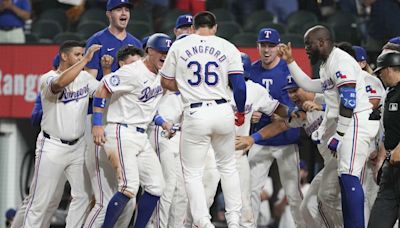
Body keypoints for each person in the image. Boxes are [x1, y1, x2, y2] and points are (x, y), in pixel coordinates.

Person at [278, 25, 379, 228]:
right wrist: (290, 61)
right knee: (342, 180)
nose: (306, 49)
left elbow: (349, 101)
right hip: (346, 124)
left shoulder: (340, 61)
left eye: (309, 44)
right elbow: (308, 84)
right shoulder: (327, 64)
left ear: (322, 42)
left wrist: (339, 134)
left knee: (349, 176)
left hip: (355, 122)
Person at [160, 11, 247, 228]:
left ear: (194, 27)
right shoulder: (227, 46)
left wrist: (189, 87)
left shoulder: (180, 45)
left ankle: (202, 221)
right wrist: (241, 113)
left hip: (195, 112)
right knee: (228, 167)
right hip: (223, 109)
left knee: (192, 173)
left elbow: (165, 81)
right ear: (215, 27)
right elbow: (240, 85)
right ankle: (234, 220)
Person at [236, 76, 342, 228]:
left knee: (331, 200)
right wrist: (252, 138)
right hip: (330, 165)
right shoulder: (301, 113)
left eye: (295, 90)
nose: (292, 96)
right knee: (307, 207)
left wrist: (324, 107)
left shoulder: (327, 98)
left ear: (307, 88)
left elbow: (352, 107)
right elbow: (280, 126)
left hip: (345, 160)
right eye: (289, 92)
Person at [92, 33, 172, 228]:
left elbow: (146, 107)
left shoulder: (163, 74)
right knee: (129, 187)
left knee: (156, 186)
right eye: (161, 51)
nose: (165, 55)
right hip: (121, 131)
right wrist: (97, 123)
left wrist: (163, 122)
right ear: (149, 51)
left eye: (168, 52)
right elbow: (102, 88)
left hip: (140, 135)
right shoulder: (132, 71)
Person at [22, 41, 101, 228]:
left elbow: (103, 92)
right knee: (40, 202)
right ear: (64, 56)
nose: (81, 58)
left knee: (83, 195)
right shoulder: (47, 78)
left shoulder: (84, 78)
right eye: (77, 54)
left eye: (82, 55)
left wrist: (107, 71)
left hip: (78, 146)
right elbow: (59, 84)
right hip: (52, 146)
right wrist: (87, 61)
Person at [247, 27, 304, 227]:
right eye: (263, 45)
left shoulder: (289, 70)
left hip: (287, 139)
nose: (267, 50)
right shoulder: (251, 71)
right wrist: (249, 114)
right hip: (261, 139)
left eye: (271, 46)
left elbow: (296, 105)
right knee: (250, 189)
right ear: (258, 46)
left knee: (294, 193)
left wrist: (267, 113)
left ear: (278, 47)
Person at [84, 45, 145, 228]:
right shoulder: (114, 80)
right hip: (101, 143)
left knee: (129, 200)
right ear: (123, 64)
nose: (138, 66)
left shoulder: (139, 83)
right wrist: (107, 71)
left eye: (139, 62)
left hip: (121, 146)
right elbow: (102, 90)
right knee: (103, 202)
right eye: (133, 63)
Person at [368, 52, 400, 228]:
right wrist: (382, 158)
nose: (379, 76)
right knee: (377, 223)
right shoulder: (391, 93)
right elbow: (387, 130)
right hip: (391, 169)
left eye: (380, 72)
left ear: (389, 69)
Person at [274, 160, 310, 228]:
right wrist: (285, 198)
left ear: (306, 173)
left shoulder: (309, 189)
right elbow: (277, 213)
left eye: (300, 170)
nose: (297, 172)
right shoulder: (284, 189)